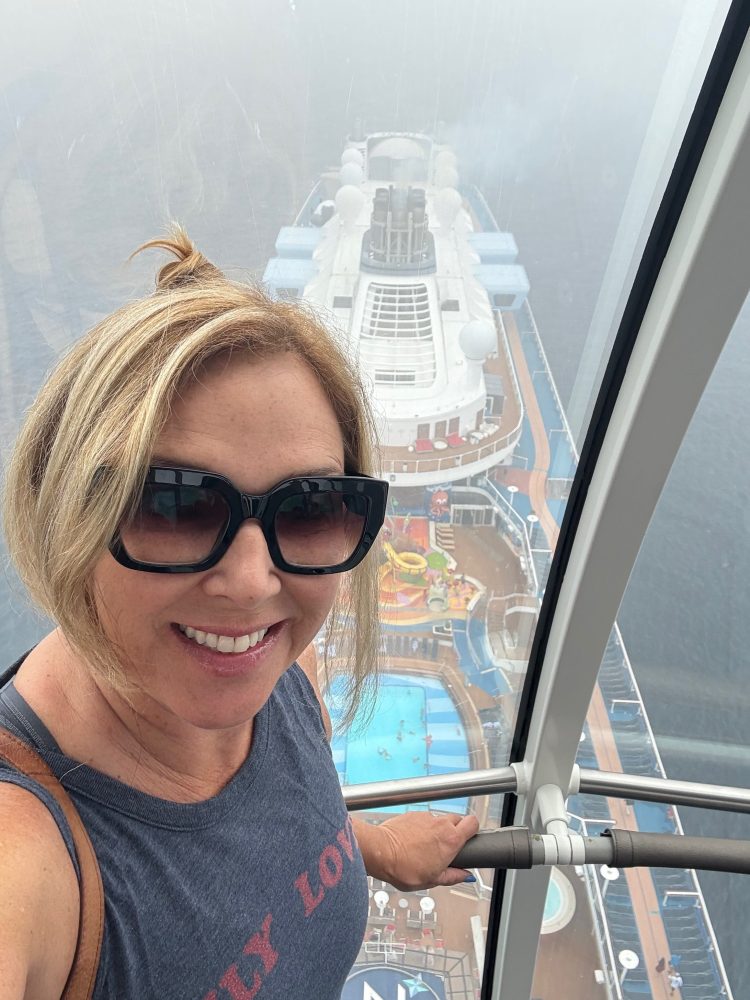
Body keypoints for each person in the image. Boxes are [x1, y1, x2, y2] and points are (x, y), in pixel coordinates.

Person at [0, 229, 478, 1000]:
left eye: (311, 508)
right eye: (175, 504)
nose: (255, 582)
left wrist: (378, 849)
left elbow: (265, 833)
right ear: (65, 509)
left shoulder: (280, 669)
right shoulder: (29, 857)